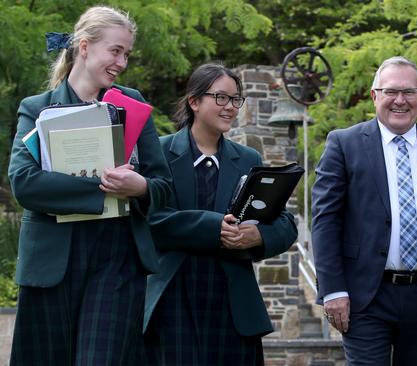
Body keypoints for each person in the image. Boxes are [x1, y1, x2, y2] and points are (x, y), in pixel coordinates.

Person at [7, 6, 172, 365]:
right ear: (84, 47)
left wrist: (139, 186)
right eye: (115, 50)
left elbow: (163, 186)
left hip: (117, 258)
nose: (122, 62)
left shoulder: (133, 104)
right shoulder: (36, 108)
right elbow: (24, 184)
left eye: (127, 53)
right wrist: (104, 186)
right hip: (53, 261)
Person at [311, 56, 417, 366]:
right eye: (390, 92)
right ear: (375, 96)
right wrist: (333, 290)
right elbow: (325, 223)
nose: (400, 100)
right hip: (365, 296)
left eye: (409, 91)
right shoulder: (343, 145)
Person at [141, 63, 297, 365]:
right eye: (221, 98)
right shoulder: (158, 152)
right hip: (172, 298)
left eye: (236, 100)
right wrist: (215, 228)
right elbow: (149, 220)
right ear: (194, 101)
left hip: (233, 302)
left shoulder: (249, 159)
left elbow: (285, 223)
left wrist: (258, 235)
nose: (230, 107)